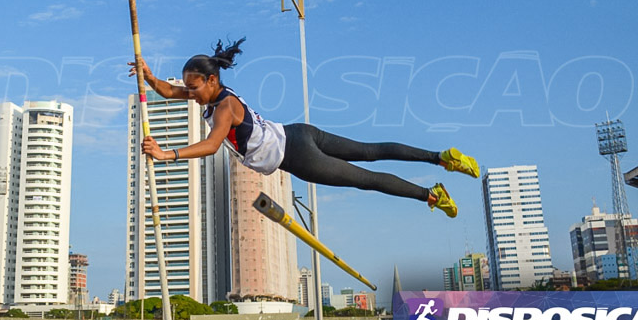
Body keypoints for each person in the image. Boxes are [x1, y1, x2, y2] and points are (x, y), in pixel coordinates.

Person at [130, 38, 478, 218]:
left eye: (194, 88)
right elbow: (167, 89)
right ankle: (442, 157)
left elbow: (210, 146)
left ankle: (432, 195)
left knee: (367, 179)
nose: (189, 94)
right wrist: (148, 75)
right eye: (188, 89)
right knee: (370, 151)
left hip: (297, 155)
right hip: (299, 132)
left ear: (211, 80)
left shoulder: (223, 108)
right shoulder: (212, 97)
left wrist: (166, 154)